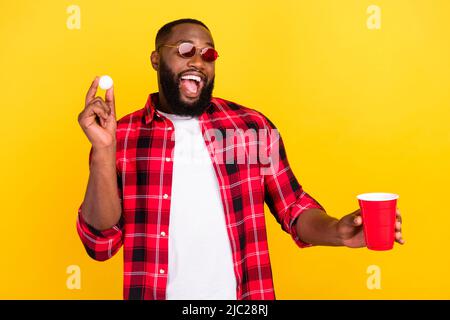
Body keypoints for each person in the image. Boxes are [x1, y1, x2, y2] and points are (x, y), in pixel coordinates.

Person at [76, 18, 404, 300]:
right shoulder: (122, 136)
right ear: (155, 59)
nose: (198, 61)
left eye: (208, 53)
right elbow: (99, 243)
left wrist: (338, 231)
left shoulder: (251, 127)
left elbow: (294, 208)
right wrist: (103, 153)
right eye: (185, 50)